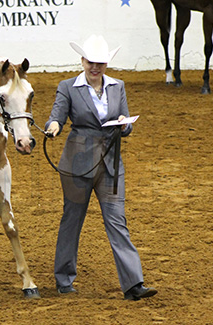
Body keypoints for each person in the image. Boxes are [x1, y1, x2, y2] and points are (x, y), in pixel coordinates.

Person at [45, 35, 157, 300]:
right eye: (91, 62)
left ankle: (133, 284)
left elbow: (127, 125)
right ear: (82, 61)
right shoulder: (68, 86)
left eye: (101, 63)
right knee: (72, 220)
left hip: (111, 163)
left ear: (106, 64)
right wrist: (53, 127)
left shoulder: (118, 86)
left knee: (118, 222)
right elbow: (57, 116)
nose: (95, 67)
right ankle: (63, 278)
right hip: (77, 163)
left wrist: (124, 124)